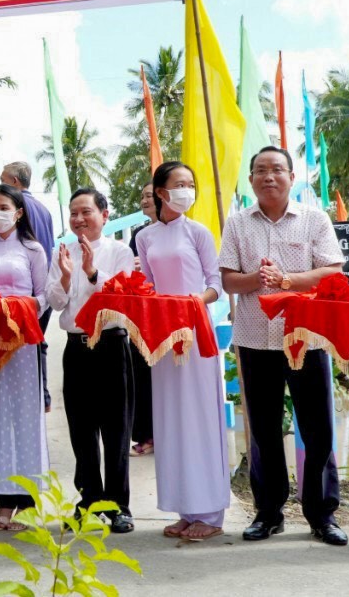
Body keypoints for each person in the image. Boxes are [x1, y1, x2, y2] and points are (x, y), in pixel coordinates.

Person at [219, 146, 347, 546]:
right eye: (260, 170)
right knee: (263, 430)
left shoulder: (314, 219)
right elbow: (227, 280)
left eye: (277, 169)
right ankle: (268, 512)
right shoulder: (238, 223)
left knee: (318, 429)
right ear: (251, 179)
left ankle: (321, 515)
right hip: (255, 339)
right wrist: (257, 278)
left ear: (292, 177)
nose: (268, 176)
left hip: (306, 338)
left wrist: (287, 281)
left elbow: (331, 272)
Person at [136, 162, 230, 541]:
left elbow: (216, 284)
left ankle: (210, 512)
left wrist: (194, 301)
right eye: (179, 184)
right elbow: (145, 284)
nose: (186, 190)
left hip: (195, 332)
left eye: (191, 184)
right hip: (163, 335)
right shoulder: (145, 237)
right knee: (172, 419)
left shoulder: (199, 232)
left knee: (200, 417)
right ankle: (184, 508)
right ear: (161, 192)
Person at [45, 187, 135, 533]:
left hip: (111, 345)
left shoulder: (120, 251)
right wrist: (67, 276)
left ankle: (117, 505)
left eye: (86, 212)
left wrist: (93, 272)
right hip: (76, 347)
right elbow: (54, 302)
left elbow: (122, 298)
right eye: (73, 213)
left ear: (104, 215)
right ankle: (88, 500)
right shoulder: (62, 251)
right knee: (81, 429)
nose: (79, 219)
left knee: (116, 429)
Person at [0, 184, 49, 532]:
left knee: (23, 419)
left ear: (18, 212)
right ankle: (4, 503)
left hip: (20, 343)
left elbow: (43, 295)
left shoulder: (32, 249)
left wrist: (16, 307)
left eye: (4, 206)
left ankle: (28, 503)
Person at [0, 161, 55, 411]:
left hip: (25, 291)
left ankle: (25, 397)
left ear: (13, 181)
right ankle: (41, 396)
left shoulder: (17, 208)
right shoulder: (44, 209)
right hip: (42, 287)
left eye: (2, 179)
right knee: (37, 343)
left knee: (20, 347)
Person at [127, 182, 157, 455]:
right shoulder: (138, 234)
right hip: (142, 313)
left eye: (150, 195)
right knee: (142, 375)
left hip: (169, 313)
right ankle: (146, 434)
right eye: (143, 196)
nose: (145, 200)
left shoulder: (187, 231)